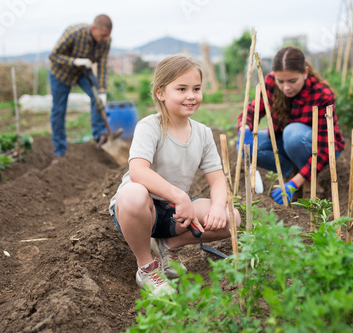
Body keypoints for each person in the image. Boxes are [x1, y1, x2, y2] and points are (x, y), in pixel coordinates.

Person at [109, 54, 241, 296]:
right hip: (139, 211)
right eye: (182, 89)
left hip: (173, 214)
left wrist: (218, 207)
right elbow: (138, 171)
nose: (191, 95)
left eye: (196, 89)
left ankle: (168, 247)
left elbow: (217, 178)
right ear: (161, 93)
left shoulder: (202, 133)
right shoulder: (150, 127)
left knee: (232, 218)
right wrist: (181, 197)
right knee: (134, 194)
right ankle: (147, 267)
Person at [237, 46, 345, 205]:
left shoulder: (322, 94)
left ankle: (306, 181)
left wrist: (296, 183)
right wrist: (245, 128)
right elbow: (252, 111)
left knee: (292, 133)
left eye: (292, 81)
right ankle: (291, 172)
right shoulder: (270, 83)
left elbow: (326, 147)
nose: (286, 87)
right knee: (250, 146)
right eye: (281, 81)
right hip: (286, 143)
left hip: (318, 148)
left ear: (305, 73)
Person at [48, 14, 112, 161]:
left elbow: (103, 66)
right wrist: (75, 61)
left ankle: (99, 135)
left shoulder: (105, 41)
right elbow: (54, 56)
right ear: (94, 28)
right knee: (58, 110)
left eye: (107, 36)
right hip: (61, 74)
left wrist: (102, 92)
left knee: (97, 100)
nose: (105, 39)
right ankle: (59, 151)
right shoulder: (74, 32)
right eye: (103, 35)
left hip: (83, 73)